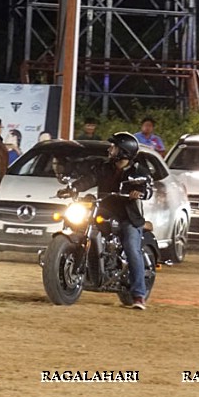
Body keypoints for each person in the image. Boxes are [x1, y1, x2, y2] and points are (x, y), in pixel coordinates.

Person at [65, 132, 152, 309]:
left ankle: (139, 295)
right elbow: (89, 179)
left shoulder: (138, 171)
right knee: (78, 225)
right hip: (103, 212)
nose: (110, 149)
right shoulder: (104, 167)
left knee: (131, 247)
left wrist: (139, 192)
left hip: (128, 216)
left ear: (124, 152)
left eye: (114, 147)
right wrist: (73, 188)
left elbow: (147, 188)